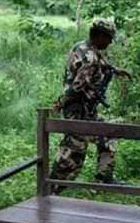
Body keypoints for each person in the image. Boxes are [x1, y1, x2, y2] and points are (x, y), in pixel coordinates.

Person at [50, 18, 131, 192]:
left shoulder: (82, 47)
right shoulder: (91, 58)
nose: (110, 43)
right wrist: (59, 104)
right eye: (109, 38)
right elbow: (77, 87)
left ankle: (103, 179)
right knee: (72, 156)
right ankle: (51, 190)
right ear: (100, 36)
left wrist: (115, 70)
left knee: (107, 135)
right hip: (79, 111)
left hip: (87, 111)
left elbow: (100, 63)